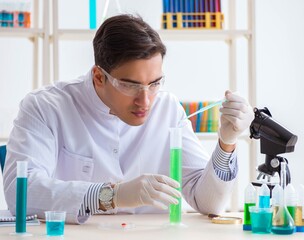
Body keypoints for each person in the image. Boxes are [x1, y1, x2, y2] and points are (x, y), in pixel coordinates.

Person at [3, 14, 254, 224]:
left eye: (154, 83)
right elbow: (21, 195)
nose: (145, 102)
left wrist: (226, 143)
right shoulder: (45, 107)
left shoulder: (168, 108)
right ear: (99, 77)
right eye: (130, 85)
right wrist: (111, 195)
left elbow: (208, 202)